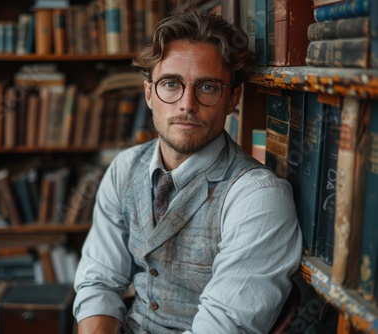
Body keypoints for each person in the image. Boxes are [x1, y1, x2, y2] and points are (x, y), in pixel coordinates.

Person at [73, 7, 302, 334]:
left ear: (233, 97)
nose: (187, 104)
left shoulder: (257, 197)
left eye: (207, 87)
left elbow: (223, 327)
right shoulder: (125, 168)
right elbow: (99, 281)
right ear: (149, 93)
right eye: (170, 84)